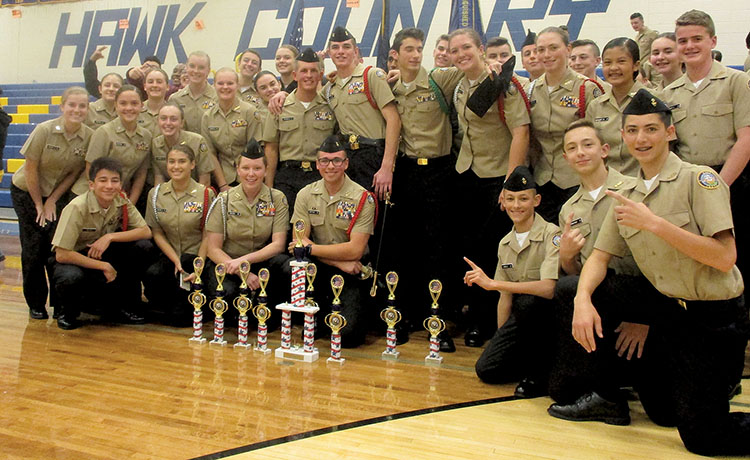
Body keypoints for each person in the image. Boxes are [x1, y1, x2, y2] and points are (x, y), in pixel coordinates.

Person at [567, 88, 750, 456]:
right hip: (667, 312)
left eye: (651, 129)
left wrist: (655, 225)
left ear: (670, 133)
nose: (640, 139)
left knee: (703, 439)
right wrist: (582, 301)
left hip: (713, 318)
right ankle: (607, 393)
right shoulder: (628, 192)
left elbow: (724, 257)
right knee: (579, 288)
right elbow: (600, 258)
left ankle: (717, 393)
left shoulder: (700, 180)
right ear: (622, 137)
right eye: (632, 130)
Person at [661, 9, 750, 395]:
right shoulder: (669, 95)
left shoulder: (737, 83)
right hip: (689, 190)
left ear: (713, 41)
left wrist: (717, 187)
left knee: (734, 281)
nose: (690, 46)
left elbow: (746, 139)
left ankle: (731, 374)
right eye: (683, 41)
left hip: (732, 184)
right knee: (700, 280)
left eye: (697, 39)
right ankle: (703, 368)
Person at [546, 120, 654, 425]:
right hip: (599, 305)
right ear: (565, 158)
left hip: (640, 300)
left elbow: (657, 261)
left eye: (587, 144)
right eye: (572, 148)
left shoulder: (633, 191)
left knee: (664, 412)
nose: (580, 153)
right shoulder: (569, 209)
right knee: (560, 390)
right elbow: (577, 274)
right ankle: (607, 391)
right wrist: (567, 257)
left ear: (605, 150)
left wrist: (642, 318)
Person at [449, 27, 531, 348]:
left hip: (497, 177)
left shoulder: (505, 86)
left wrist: (510, 184)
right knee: (469, 248)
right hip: (467, 174)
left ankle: (490, 322)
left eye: (466, 47)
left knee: (493, 251)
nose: (460, 55)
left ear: (481, 49)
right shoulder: (458, 84)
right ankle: (475, 316)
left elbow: (520, 132)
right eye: (454, 50)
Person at [390, 27, 463, 344]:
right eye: (409, 49)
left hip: (439, 172)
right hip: (406, 172)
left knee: (440, 247)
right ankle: (407, 314)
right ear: (396, 54)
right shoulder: (389, 87)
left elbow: (469, 69)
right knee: (407, 246)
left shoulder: (439, 79)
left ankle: (440, 318)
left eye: (419, 48)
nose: (415, 54)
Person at [464, 166, 560, 397]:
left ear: (536, 200)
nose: (516, 206)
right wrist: (502, 338)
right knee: (487, 369)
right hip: (522, 321)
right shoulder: (505, 243)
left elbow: (548, 289)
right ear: (503, 202)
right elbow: (504, 299)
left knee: (528, 303)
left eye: (523, 199)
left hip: (550, 320)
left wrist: (495, 284)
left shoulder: (552, 235)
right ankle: (530, 365)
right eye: (511, 199)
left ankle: (542, 372)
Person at [11, 87, 93, 320]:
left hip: (56, 195)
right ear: (62, 106)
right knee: (33, 248)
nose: (77, 110)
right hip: (27, 192)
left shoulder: (88, 136)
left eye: (82, 106)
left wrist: (53, 201)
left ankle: (60, 304)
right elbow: (30, 169)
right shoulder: (44, 130)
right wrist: (39, 203)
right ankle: (36, 303)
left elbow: (73, 173)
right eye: (72, 105)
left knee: (56, 247)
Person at [290, 135, 377, 348]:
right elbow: (297, 242)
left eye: (337, 160)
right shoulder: (305, 195)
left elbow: (355, 250)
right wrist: (338, 262)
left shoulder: (362, 198)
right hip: (320, 269)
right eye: (325, 161)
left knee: (348, 336)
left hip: (352, 272)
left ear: (346, 163)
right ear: (317, 165)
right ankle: (318, 317)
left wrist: (310, 248)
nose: (331, 166)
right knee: (289, 269)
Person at [51, 157, 152, 330]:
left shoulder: (121, 201)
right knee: (71, 277)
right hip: (73, 258)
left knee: (143, 247)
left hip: (99, 252)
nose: (109, 186)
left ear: (120, 184)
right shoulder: (77, 207)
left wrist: (109, 237)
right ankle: (66, 311)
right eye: (103, 180)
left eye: (115, 181)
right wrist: (103, 265)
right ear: (91, 184)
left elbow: (145, 231)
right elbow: (62, 254)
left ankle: (122, 306)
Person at [528, 26, 604, 223]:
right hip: (543, 180)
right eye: (541, 49)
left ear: (568, 49)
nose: (546, 55)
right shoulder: (531, 90)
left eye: (553, 48)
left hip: (577, 180)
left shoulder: (586, 89)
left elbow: (600, 138)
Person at [204, 139, 289, 313]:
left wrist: (245, 262)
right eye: (246, 168)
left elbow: (278, 245)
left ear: (265, 171)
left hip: (258, 261)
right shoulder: (224, 200)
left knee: (286, 266)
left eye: (257, 168)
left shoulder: (277, 198)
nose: (251, 174)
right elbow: (213, 249)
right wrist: (243, 272)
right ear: (237, 170)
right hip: (228, 262)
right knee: (228, 298)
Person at [144, 144, 215, 326]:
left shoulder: (205, 194)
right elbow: (157, 232)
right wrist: (174, 258)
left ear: (192, 164)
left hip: (196, 256)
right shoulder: (156, 194)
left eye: (182, 162)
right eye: (172, 162)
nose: (176, 166)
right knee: (153, 273)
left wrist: (198, 266)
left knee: (183, 319)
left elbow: (209, 234)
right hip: (170, 255)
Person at [262, 48, 335, 212]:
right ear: (295, 75)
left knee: (319, 228)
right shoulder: (279, 107)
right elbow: (271, 148)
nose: (308, 75)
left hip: (320, 177)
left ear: (320, 74)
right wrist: (269, 187)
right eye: (303, 71)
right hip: (287, 177)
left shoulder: (330, 106)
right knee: (286, 229)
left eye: (313, 71)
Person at [74, 85, 152, 213]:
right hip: (89, 196)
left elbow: (141, 174)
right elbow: (91, 169)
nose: (129, 108)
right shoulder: (104, 132)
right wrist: (103, 201)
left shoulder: (146, 136)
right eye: (123, 103)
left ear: (142, 106)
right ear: (116, 105)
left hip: (119, 200)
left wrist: (129, 204)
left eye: (134, 103)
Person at [586, 37, 646, 175]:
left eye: (621, 61)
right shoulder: (595, 106)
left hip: (644, 183)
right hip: (606, 184)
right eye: (607, 63)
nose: (613, 68)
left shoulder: (653, 100)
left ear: (636, 65)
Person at [200, 68, 263, 193]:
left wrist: (247, 182)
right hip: (222, 179)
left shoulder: (250, 112)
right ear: (214, 85)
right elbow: (211, 154)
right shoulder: (208, 117)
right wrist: (223, 185)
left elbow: (254, 150)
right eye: (220, 83)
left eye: (230, 83)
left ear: (237, 85)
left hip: (249, 178)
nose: (225, 87)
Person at [151, 103, 213, 186]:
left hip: (195, 192)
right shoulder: (156, 144)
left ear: (182, 123)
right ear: (158, 121)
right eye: (163, 118)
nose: (168, 123)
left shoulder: (197, 141)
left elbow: (204, 179)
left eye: (173, 119)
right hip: (169, 193)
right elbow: (159, 178)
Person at [170, 51, 217, 133]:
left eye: (201, 67)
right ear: (186, 68)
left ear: (208, 71)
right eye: (192, 66)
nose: (196, 71)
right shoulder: (175, 99)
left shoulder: (218, 98)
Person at [138, 68, 169, 137]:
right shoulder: (136, 110)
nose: (154, 85)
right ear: (145, 86)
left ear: (167, 87)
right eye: (150, 82)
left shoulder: (173, 112)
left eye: (159, 82)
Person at [630, 12, 658, 79]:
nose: (634, 25)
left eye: (636, 23)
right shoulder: (637, 37)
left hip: (650, 68)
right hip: (640, 69)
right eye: (632, 23)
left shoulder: (652, 34)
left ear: (642, 22)